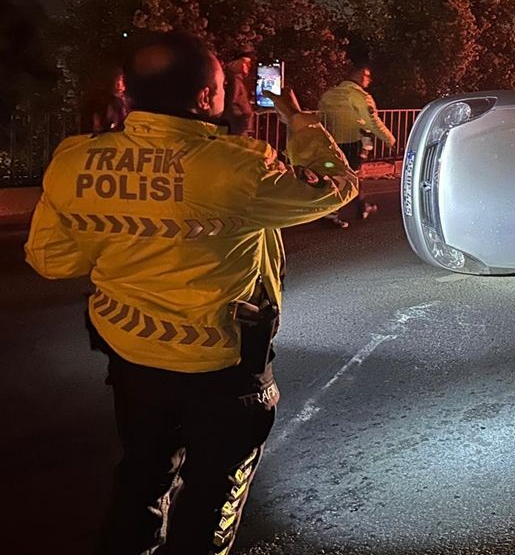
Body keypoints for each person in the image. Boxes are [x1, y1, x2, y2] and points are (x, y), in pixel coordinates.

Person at [25, 31, 357, 554]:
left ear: (129, 91)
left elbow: (52, 260)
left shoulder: (74, 159)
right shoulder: (241, 166)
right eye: (224, 85)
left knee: (142, 473)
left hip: (131, 356)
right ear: (205, 97)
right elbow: (337, 184)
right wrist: (299, 120)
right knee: (215, 492)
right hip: (223, 366)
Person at [319, 64, 397, 227]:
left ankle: (362, 206)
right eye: (367, 76)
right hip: (352, 143)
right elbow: (373, 121)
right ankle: (333, 212)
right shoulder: (359, 96)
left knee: (341, 175)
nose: (369, 79)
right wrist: (389, 139)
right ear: (360, 75)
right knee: (349, 178)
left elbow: (323, 118)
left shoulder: (329, 94)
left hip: (331, 142)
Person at [223, 51, 257, 137]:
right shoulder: (235, 81)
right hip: (238, 124)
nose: (249, 66)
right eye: (246, 63)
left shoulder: (237, 80)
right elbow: (231, 101)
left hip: (240, 124)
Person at [90, 68, 129, 132]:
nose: (119, 84)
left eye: (121, 80)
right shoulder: (105, 100)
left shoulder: (128, 100)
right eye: (117, 80)